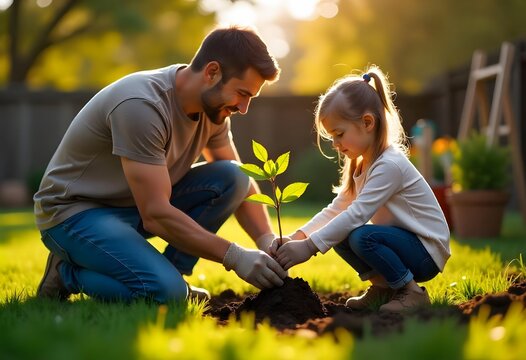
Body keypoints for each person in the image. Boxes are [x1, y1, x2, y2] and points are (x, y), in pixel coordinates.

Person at [34, 26, 288, 303]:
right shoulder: (142, 105)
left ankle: (173, 275)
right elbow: (155, 214)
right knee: (166, 295)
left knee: (234, 175)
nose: (244, 108)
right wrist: (235, 256)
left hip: (132, 207)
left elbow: (240, 182)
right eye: (242, 93)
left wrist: (265, 240)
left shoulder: (213, 111)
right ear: (212, 72)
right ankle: (67, 273)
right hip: (74, 213)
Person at [270, 66, 450, 312]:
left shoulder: (389, 165)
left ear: (367, 122)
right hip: (404, 243)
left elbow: (357, 215)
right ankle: (383, 288)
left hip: (426, 251)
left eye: (339, 134)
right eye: (331, 137)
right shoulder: (362, 162)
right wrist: (298, 237)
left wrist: (310, 248)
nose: (334, 144)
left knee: (361, 235)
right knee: (340, 234)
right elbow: (338, 209)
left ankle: (412, 293)